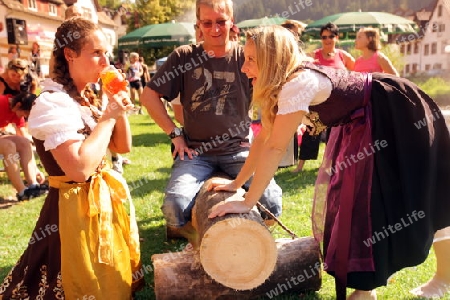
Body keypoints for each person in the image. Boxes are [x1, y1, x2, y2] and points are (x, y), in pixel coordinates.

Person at [208, 25, 450, 300]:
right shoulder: (282, 84)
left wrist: (247, 201)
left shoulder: (297, 84)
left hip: (396, 113)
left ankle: (442, 277)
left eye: (251, 59)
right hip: (362, 125)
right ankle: (367, 287)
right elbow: (264, 139)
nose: (244, 67)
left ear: (272, 60)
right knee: (361, 203)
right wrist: (237, 184)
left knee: (418, 195)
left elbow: (276, 148)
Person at [0, 17, 144, 299]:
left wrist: (114, 101)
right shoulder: (53, 102)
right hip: (69, 212)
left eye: (107, 53)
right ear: (70, 54)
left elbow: (123, 146)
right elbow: (79, 169)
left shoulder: (84, 97)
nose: (106, 61)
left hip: (99, 203)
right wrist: (108, 116)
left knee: (105, 276)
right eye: (97, 52)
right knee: (70, 282)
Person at [141, 0, 282, 241]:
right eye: (207, 23)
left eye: (221, 22)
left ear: (231, 22)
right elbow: (148, 96)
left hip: (237, 150)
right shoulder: (184, 57)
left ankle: (250, 240)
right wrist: (175, 134)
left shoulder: (244, 57)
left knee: (273, 203)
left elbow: (272, 94)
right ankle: (200, 241)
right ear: (198, 24)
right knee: (174, 208)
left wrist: (256, 136)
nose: (215, 29)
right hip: (196, 153)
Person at [293, 23, 355, 173]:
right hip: (318, 101)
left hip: (338, 101)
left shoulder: (343, 55)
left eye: (330, 36)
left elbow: (355, 72)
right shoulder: (315, 55)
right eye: (324, 37)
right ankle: (300, 166)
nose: (327, 40)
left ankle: (332, 165)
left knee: (335, 134)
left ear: (337, 37)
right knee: (311, 132)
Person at [0, 92, 48, 201]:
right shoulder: (1, 103)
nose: (25, 117)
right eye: (25, 113)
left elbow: (24, 137)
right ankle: (22, 192)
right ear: (18, 105)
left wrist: (35, 169)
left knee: (24, 143)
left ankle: (33, 185)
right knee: (8, 146)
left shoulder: (15, 110)